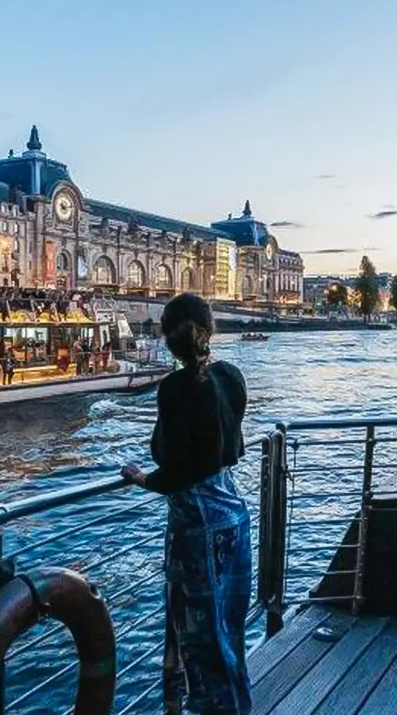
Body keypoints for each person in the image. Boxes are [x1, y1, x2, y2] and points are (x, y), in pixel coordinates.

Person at [121, 293, 252, 714]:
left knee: (198, 638)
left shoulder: (174, 388)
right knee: (228, 630)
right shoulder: (231, 376)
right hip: (233, 512)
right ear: (209, 330)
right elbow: (232, 448)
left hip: (196, 527)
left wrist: (142, 478)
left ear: (168, 338)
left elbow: (175, 466)